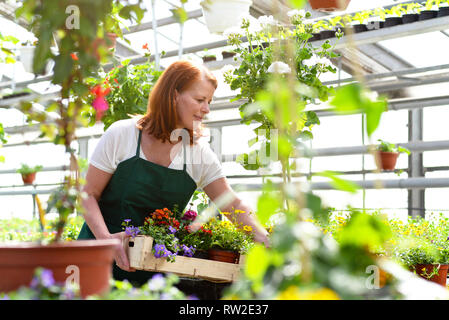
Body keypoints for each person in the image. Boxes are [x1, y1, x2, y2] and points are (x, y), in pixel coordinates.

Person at [77, 60, 269, 299]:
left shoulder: (198, 153)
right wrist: (106, 241)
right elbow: (88, 195)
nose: (206, 109)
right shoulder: (122, 134)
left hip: (153, 273)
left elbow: (232, 203)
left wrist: (266, 239)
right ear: (173, 95)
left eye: (209, 102)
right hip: (96, 259)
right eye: (200, 100)